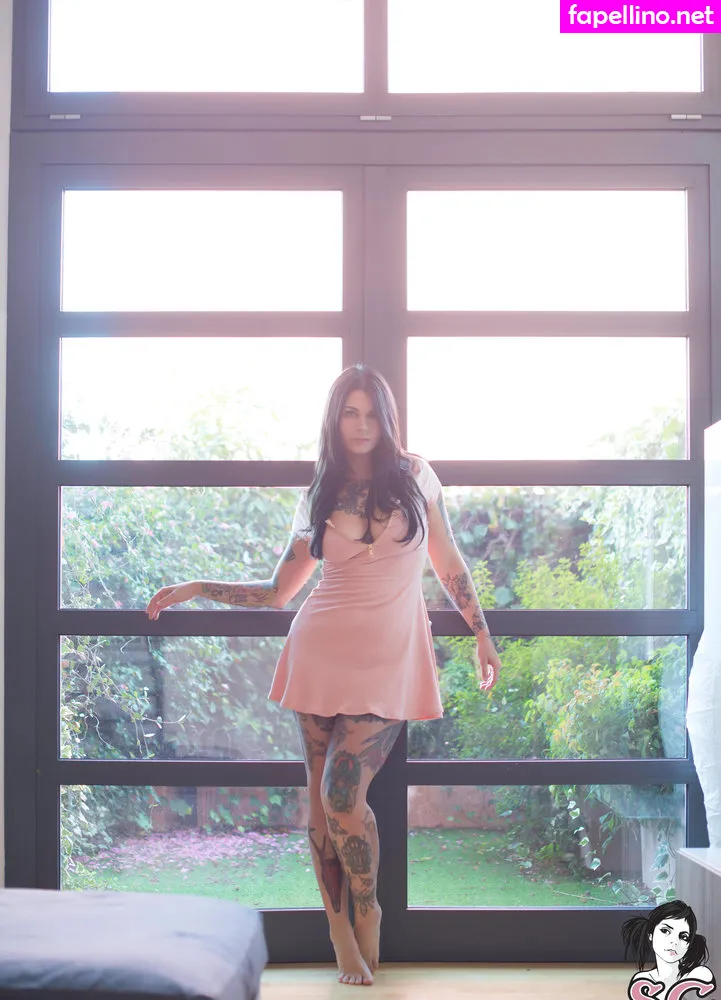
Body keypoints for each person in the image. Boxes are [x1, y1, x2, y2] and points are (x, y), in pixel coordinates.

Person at [146, 364, 502, 987]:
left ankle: (368, 906)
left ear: (387, 419)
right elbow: (278, 591)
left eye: (371, 413)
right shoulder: (318, 494)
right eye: (349, 413)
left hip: (389, 661)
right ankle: (338, 931)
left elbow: (446, 558)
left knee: (343, 798)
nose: (361, 425)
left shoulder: (416, 476)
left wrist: (481, 631)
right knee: (319, 803)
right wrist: (198, 586)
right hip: (319, 653)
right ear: (335, 421)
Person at [622, 900, 715, 999]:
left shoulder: (699, 975)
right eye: (665, 931)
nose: (674, 941)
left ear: (689, 944)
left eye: (683, 937)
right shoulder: (642, 981)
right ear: (650, 934)